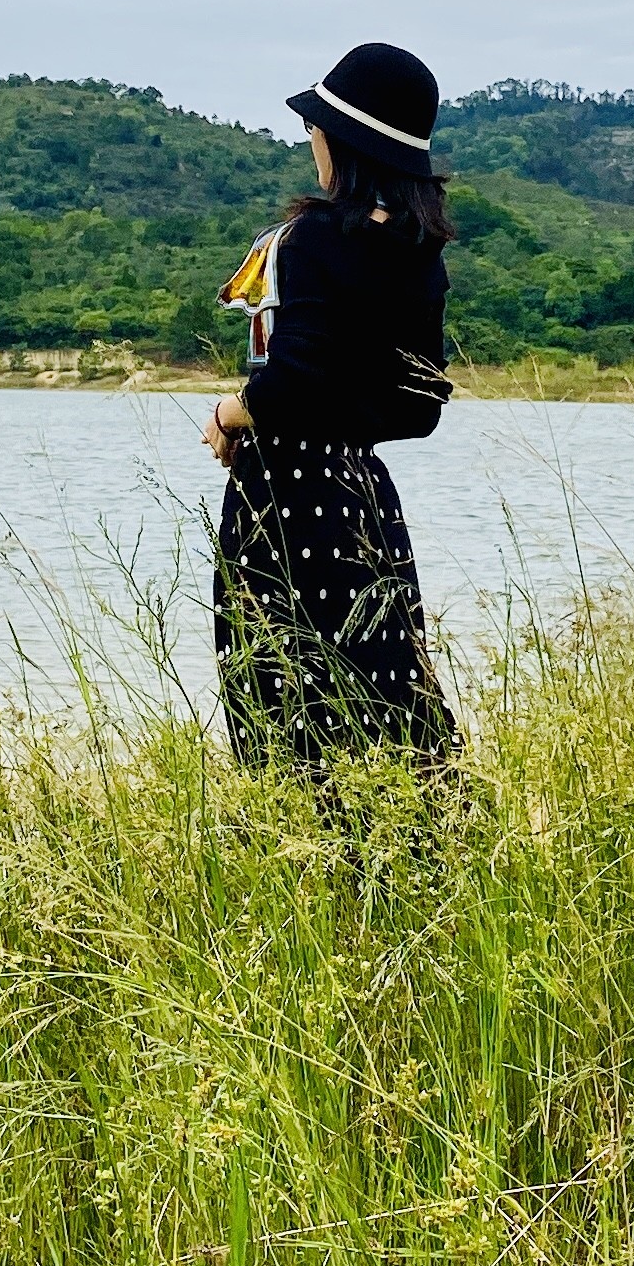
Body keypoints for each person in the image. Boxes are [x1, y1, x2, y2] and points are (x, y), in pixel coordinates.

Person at [205, 40, 460, 780]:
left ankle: (314, 868)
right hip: (363, 499)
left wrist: (233, 412)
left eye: (316, 125)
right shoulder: (420, 251)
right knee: (389, 699)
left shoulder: (313, 237)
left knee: (279, 708)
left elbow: (291, 380)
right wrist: (328, 417)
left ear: (341, 137)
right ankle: (424, 861)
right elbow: (419, 408)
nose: (310, 138)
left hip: (282, 501)